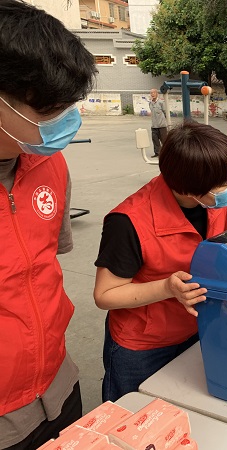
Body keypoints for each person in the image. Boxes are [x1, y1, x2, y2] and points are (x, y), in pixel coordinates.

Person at [0, 1, 96, 448]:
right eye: (47, 112)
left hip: (60, 386)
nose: (62, 125)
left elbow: (42, 268)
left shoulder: (50, 166)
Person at [93, 122, 227, 402]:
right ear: (186, 189)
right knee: (133, 422)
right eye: (221, 182)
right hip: (143, 346)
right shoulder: (128, 222)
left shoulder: (211, 201)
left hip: (197, 329)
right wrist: (166, 288)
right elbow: (104, 295)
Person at [149, 88, 168, 157]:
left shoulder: (161, 102)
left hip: (162, 126)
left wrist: (164, 121)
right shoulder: (150, 103)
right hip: (154, 126)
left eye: (154, 92)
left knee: (164, 141)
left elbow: (165, 112)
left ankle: (167, 153)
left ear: (157, 94)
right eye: (151, 93)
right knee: (155, 140)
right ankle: (157, 153)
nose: (152, 94)